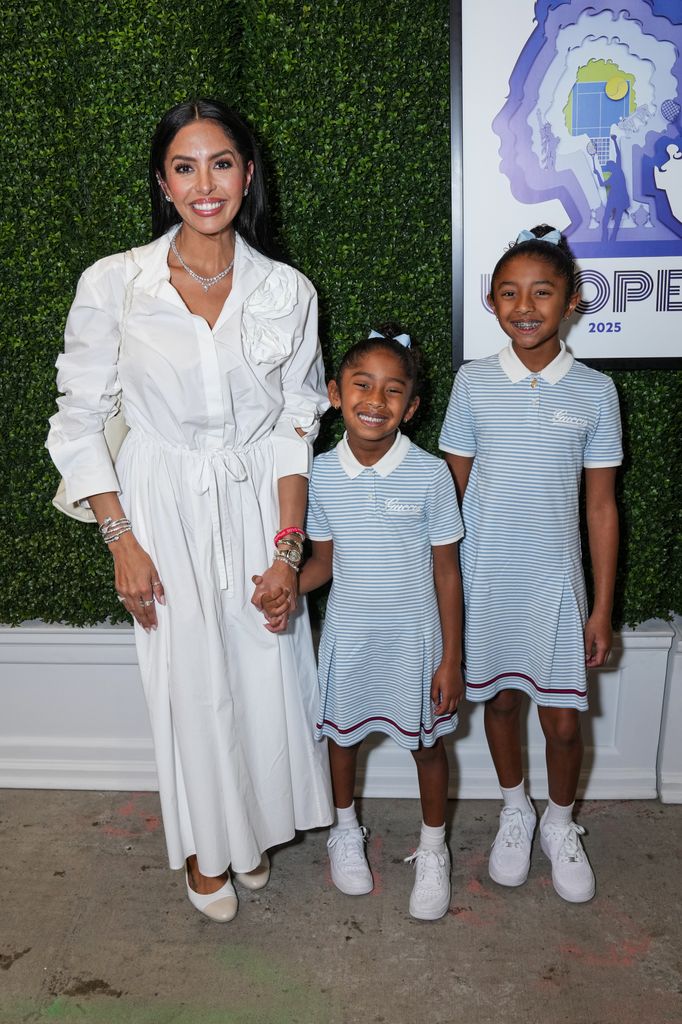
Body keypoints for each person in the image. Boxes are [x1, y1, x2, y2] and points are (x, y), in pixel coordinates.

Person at [46, 98, 333, 922]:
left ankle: (249, 835)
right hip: (157, 499)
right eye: (184, 165)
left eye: (221, 163)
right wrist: (119, 539)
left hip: (255, 496)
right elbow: (77, 418)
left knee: (262, 672)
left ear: (247, 174)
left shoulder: (288, 290)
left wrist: (287, 552)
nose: (204, 183)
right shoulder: (116, 282)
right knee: (187, 683)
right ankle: (208, 851)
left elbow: (294, 425)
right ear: (163, 181)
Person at [440, 225, 622, 903]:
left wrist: (602, 606)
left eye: (542, 292)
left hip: (556, 583)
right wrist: (439, 590)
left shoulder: (596, 392)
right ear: (491, 302)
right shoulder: (474, 383)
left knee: (564, 720)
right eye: (509, 292)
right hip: (486, 578)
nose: (525, 305)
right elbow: (448, 495)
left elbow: (601, 509)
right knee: (504, 701)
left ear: (571, 300)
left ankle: (560, 820)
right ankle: (515, 808)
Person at [259, 326, 465, 920]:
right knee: (342, 741)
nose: (376, 401)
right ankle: (344, 831)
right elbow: (321, 561)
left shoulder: (430, 476)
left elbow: (447, 575)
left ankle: (433, 848)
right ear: (333, 393)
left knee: (427, 749)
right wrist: (285, 584)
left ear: (413, 406)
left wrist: (451, 658)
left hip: (417, 640)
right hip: (348, 637)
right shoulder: (318, 474)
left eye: (393, 391)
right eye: (362, 385)